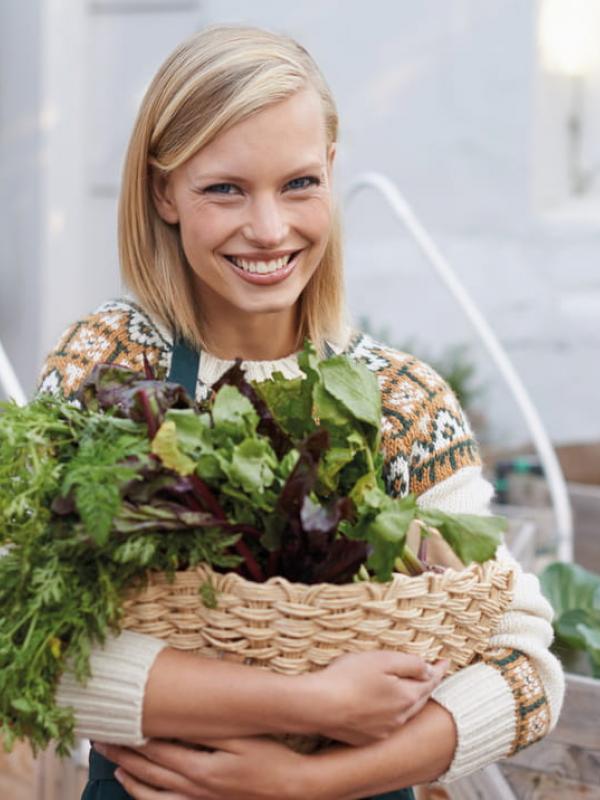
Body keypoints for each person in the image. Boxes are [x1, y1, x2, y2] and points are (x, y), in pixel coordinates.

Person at [39, 24, 564, 800]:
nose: (269, 229)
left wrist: (308, 780)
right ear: (164, 193)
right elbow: (31, 643)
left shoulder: (400, 400)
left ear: (330, 171)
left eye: (298, 184)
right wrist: (309, 701)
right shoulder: (110, 367)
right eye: (225, 188)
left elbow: (527, 668)